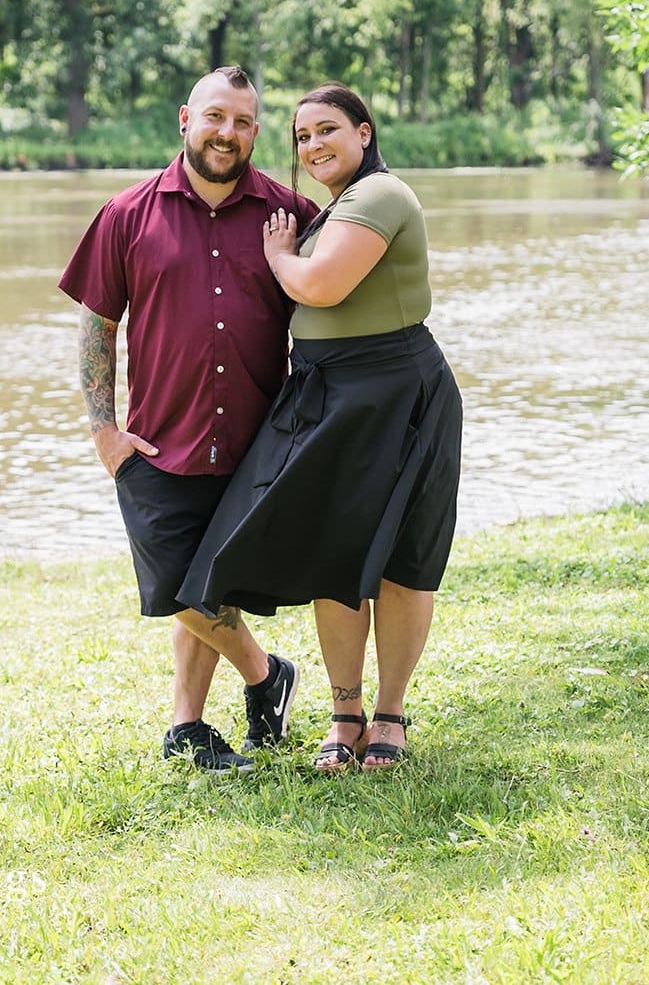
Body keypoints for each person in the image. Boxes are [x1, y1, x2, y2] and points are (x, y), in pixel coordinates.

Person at [177, 82, 463, 772]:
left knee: (402, 561)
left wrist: (280, 258)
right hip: (330, 391)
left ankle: (388, 714)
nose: (313, 146)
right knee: (335, 561)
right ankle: (344, 711)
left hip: (396, 390)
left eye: (328, 129)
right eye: (302, 137)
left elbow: (323, 285)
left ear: (365, 133)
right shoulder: (335, 206)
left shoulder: (381, 196)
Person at [58, 66, 319, 773]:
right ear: (185, 118)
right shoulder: (127, 214)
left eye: (241, 122)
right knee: (180, 587)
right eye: (214, 117)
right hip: (156, 442)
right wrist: (102, 428)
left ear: (256, 132)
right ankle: (268, 673)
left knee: (212, 585)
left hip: (255, 446)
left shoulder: (290, 217)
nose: (226, 133)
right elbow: (96, 324)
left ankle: (186, 726)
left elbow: (331, 314)